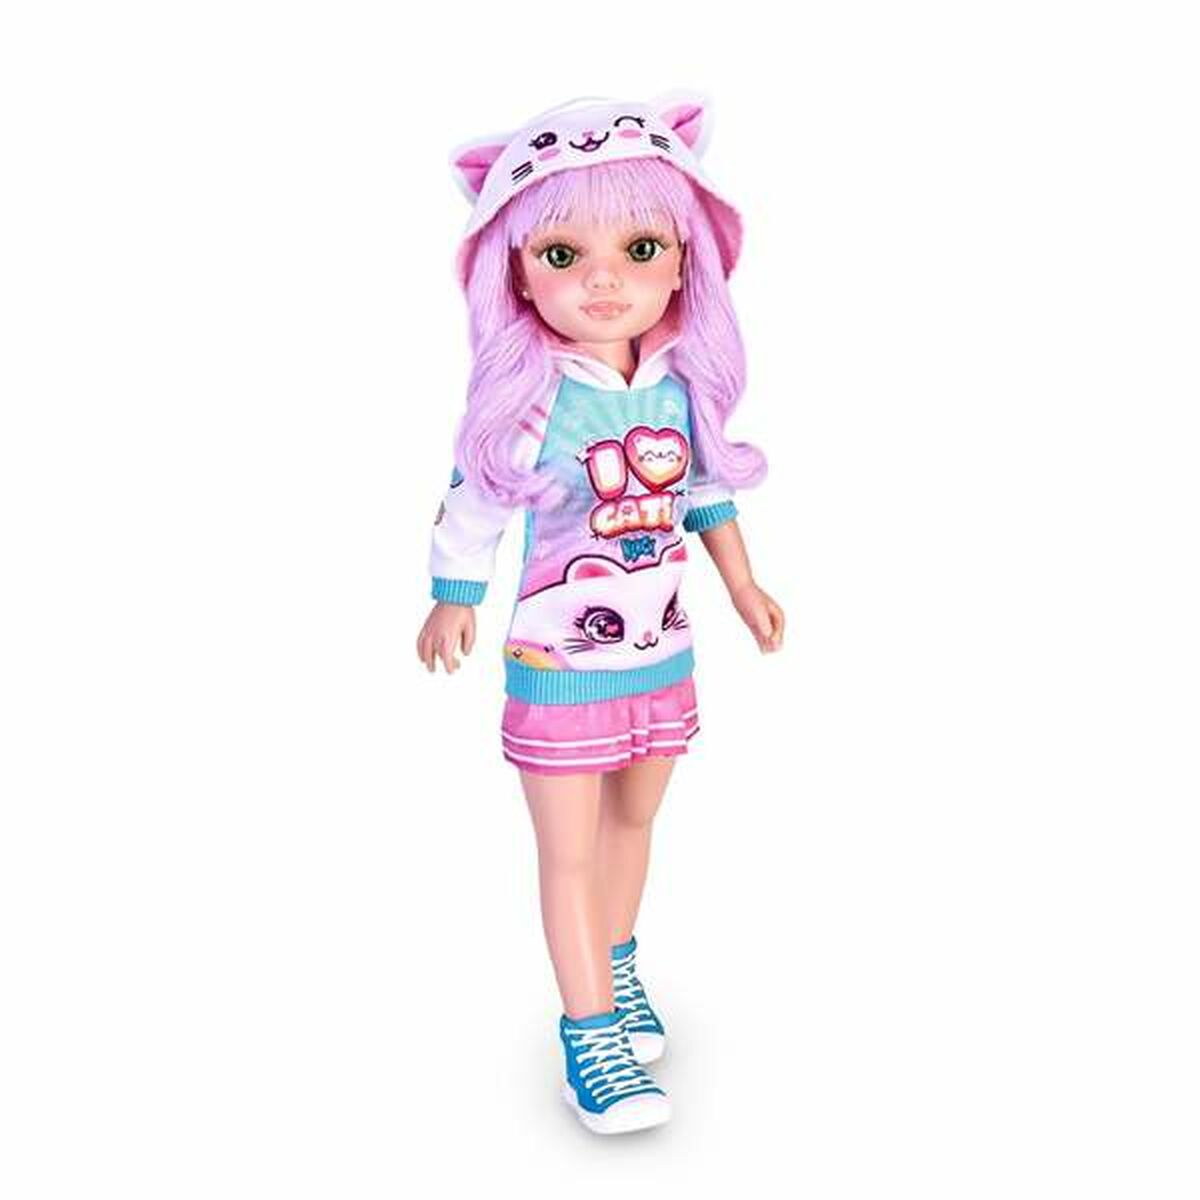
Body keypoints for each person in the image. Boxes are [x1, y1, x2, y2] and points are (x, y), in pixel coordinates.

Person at [416, 92, 785, 1134]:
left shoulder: (678, 381)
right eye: (563, 256)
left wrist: (743, 584)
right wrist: (452, 596)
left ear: (684, 259)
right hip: (560, 659)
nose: (606, 279)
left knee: (635, 819)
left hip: (661, 649)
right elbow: (474, 503)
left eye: (639, 248)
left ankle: (617, 972)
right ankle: (590, 1036)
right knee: (569, 848)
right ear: (517, 273)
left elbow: (703, 492)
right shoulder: (531, 395)